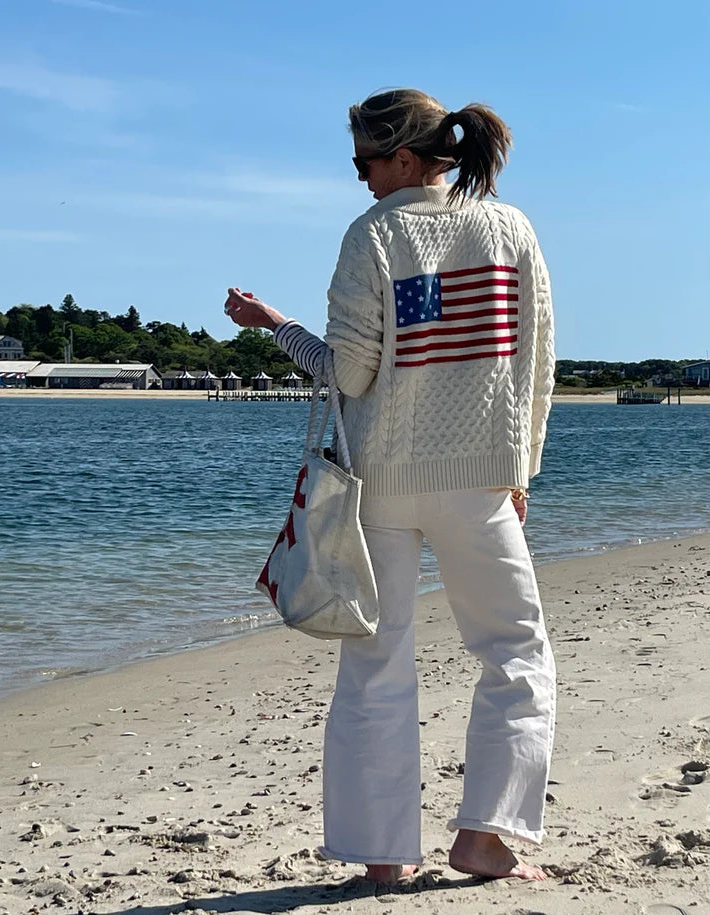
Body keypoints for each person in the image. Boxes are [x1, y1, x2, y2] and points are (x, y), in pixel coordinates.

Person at [224, 88, 556, 884]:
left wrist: (274, 325)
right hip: (479, 480)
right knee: (514, 652)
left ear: (404, 158)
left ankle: (383, 857)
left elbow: (347, 373)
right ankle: (483, 836)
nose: (361, 178)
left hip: (378, 483)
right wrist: (521, 470)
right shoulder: (509, 228)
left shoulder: (371, 235)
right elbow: (535, 366)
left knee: (376, 665)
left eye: (364, 162)